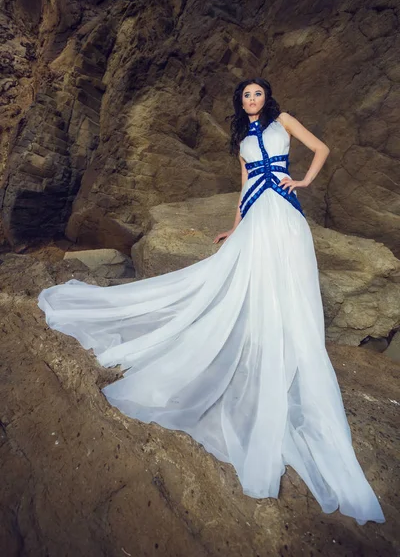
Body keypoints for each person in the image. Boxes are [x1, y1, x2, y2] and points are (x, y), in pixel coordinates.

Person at [37, 77, 385, 525]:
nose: (253, 99)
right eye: (246, 95)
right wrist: (234, 227)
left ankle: (289, 338)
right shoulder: (241, 137)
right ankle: (257, 334)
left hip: (285, 210)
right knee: (247, 275)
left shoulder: (283, 120)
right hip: (258, 213)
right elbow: (244, 187)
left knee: (292, 278)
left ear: (267, 97)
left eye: (257, 93)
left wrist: (301, 182)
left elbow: (322, 149)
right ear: (240, 103)